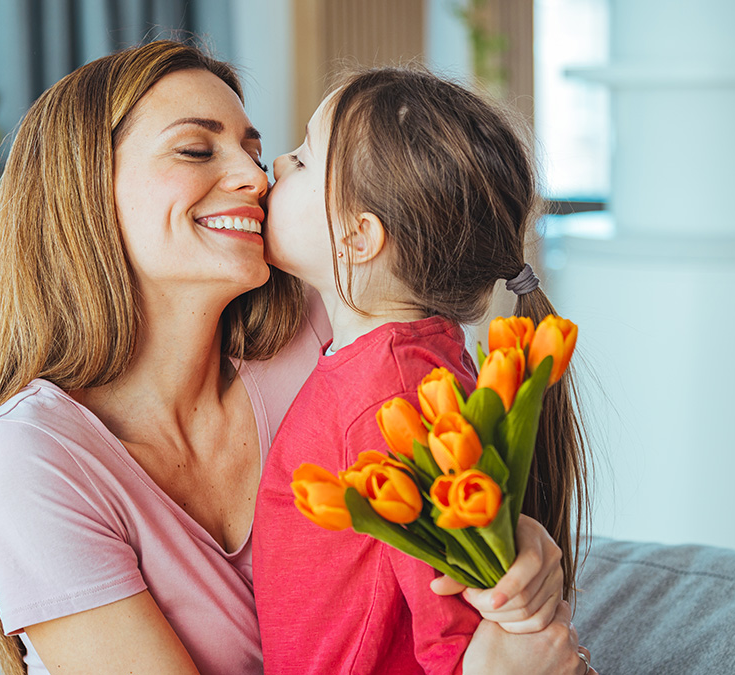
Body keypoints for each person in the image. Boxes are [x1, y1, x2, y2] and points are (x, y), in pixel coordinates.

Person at [0, 40, 582, 675]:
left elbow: (443, 541)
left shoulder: (326, 338)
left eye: (255, 151)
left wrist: (516, 548)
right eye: (196, 150)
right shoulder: (32, 457)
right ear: (81, 191)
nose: (258, 178)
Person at [252, 67, 593, 675]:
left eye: (303, 160)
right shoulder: (402, 360)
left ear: (358, 237)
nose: (277, 163)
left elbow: (454, 617)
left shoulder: (391, 396)